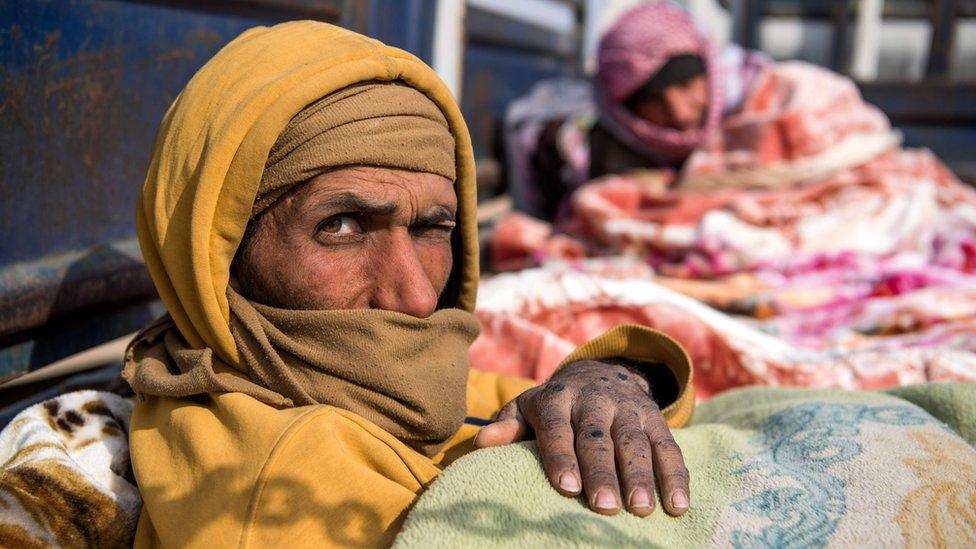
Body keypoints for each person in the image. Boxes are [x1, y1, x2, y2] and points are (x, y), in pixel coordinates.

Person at [123, 21, 696, 547]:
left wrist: (613, 378)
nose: (418, 297)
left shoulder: (366, 381)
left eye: (431, 227)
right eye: (340, 226)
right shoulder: (273, 490)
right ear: (215, 255)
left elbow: (507, 400)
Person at [589, 1, 769, 179]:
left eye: (686, 85)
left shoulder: (766, 101)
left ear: (709, 72)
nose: (680, 114)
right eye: (655, 101)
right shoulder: (612, 151)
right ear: (626, 112)